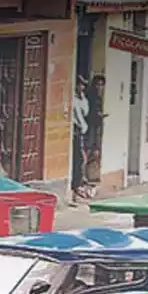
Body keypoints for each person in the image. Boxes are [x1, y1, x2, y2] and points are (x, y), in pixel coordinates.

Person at [70, 77, 90, 205]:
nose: (81, 88)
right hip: (75, 131)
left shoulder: (81, 99)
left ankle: (78, 186)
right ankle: (75, 188)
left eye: (83, 86)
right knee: (79, 160)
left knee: (82, 160)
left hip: (82, 131)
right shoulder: (71, 98)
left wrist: (82, 98)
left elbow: (86, 112)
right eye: (79, 85)